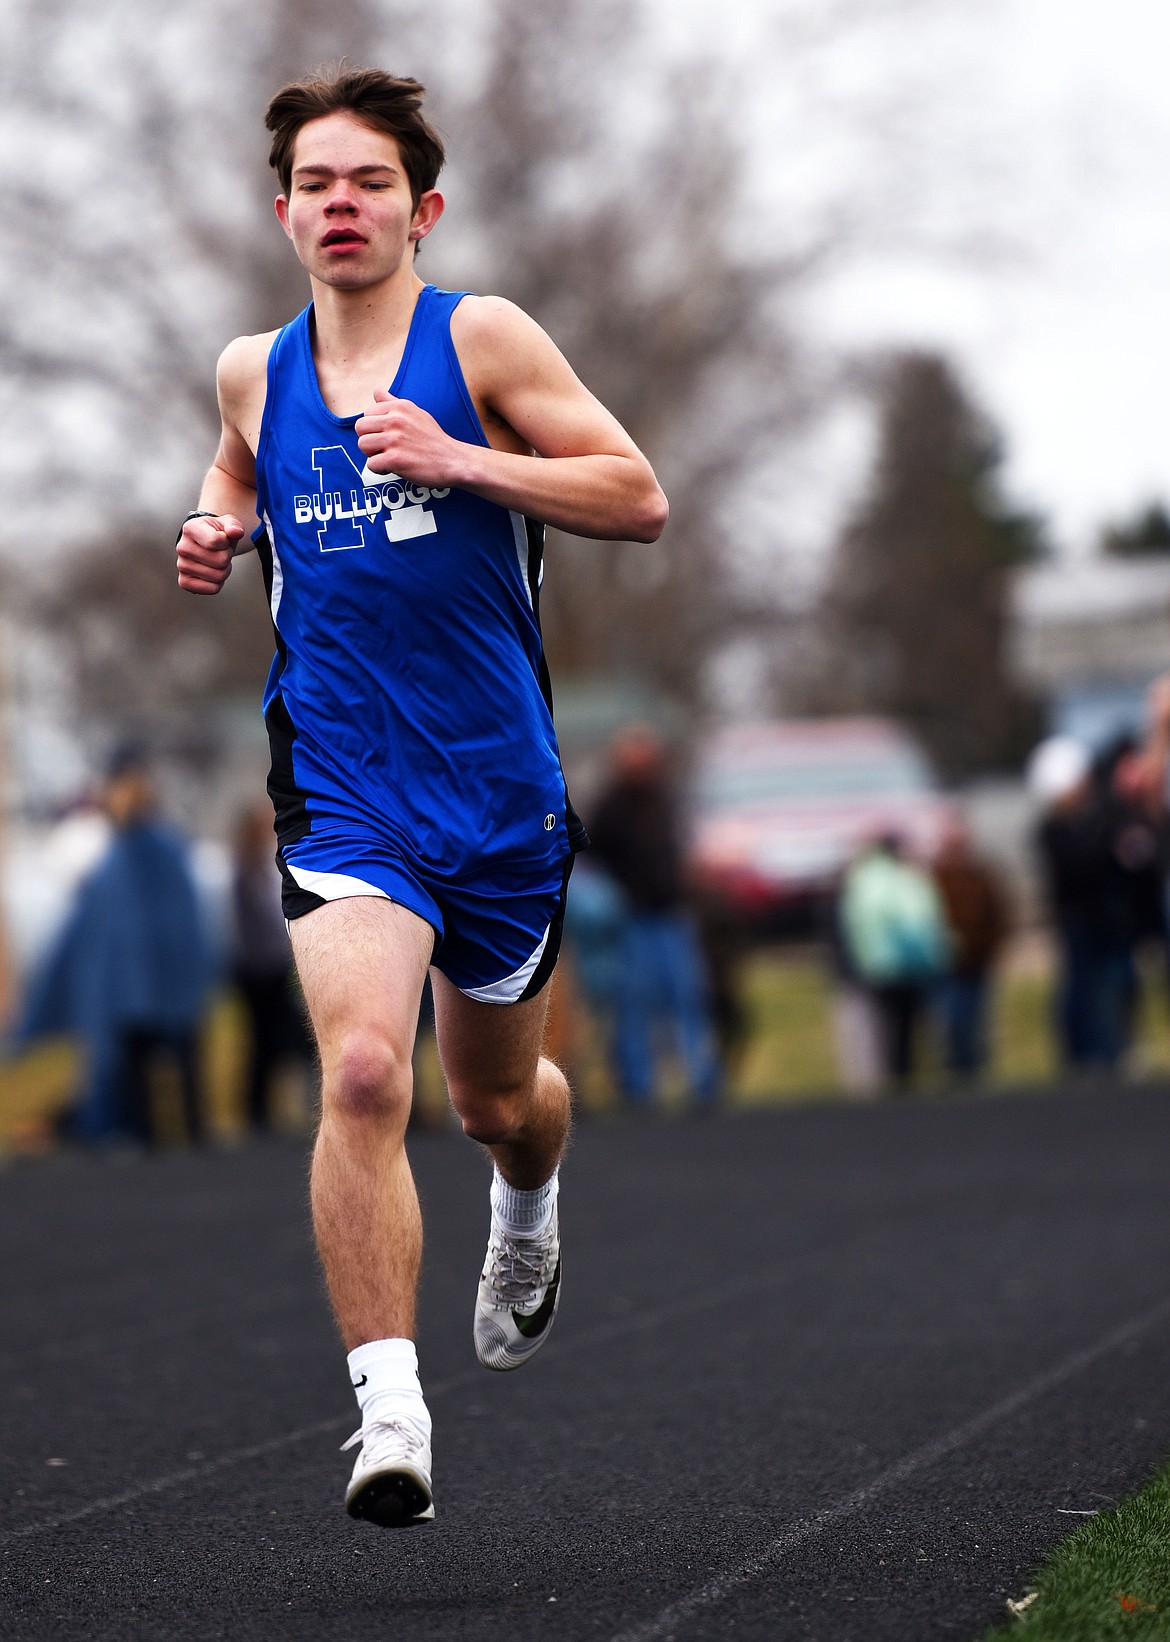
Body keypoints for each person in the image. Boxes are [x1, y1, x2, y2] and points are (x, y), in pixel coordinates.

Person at [175, 67, 667, 1527]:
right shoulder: (251, 370)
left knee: (493, 1099)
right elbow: (232, 468)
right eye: (317, 184)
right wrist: (218, 521)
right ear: (283, 214)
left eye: (369, 182)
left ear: (420, 208)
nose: (342, 204)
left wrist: (460, 458)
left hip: (497, 791)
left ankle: (527, 1206)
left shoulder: (484, 337)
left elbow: (636, 493)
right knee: (365, 1074)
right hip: (339, 784)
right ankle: (388, 1412)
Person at [15, 753, 214, 1145]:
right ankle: (171, 1135)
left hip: (140, 989)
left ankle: (163, 1136)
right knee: (155, 1064)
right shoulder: (137, 854)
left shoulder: (134, 855)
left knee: (154, 1064)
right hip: (147, 988)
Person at [586, 726, 721, 1110]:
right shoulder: (609, 808)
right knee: (635, 1005)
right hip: (634, 920)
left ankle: (702, 1080)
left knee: (688, 998)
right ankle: (638, 1085)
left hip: (673, 915)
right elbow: (592, 857)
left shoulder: (666, 799)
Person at [838, 834, 950, 1089]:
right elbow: (927, 922)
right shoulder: (909, 878)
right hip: (911, 964)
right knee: (909, 1025)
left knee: (889, 1026)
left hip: (882, 966)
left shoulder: (864, 880)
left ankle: (896, 1075)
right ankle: (905, 1073)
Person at [230, 801, 311, 1133]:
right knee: (264, 1041)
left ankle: (262, 1111)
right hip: (259, 970)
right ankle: (256, 1112)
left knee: (271, 1041)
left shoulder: (256, 868)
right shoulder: (247, 871)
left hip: (267, 967)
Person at [930, 818, 1010, 1079]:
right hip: (946, 964)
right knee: (952, 1019)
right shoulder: (933, 875)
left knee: (976, 1018)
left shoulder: (982, 874)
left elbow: (1000, 914)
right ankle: (955, 1066)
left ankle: (974, 1067)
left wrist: (993, 946)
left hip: (978, 960)